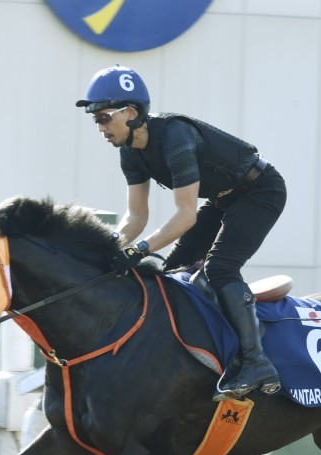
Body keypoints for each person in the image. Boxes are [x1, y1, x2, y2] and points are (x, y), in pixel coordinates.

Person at [76, 65, 287, 401]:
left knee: (219, 268)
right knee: (173, 272)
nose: (99, 127)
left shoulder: (176, 137)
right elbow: (136, 215)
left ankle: (256, 361)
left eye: (102, 117)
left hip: (260, 191)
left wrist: (139, 250)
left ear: (130, 113)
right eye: (95, 120)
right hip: (223, 199)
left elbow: (186, 215)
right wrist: (112, 246)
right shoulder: (129, 153)